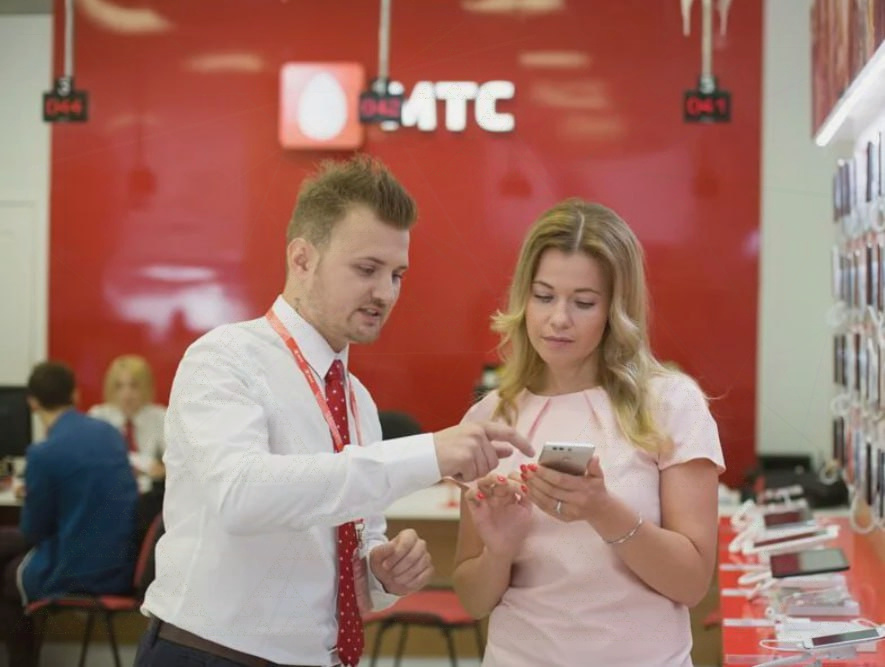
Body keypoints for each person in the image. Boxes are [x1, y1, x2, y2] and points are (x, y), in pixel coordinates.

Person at [136, 155, 533, 667]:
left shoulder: (355, 399)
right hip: (209, 654)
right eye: (367, 269)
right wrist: (427, 454)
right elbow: (241, 496)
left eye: (397, 274)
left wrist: (380, 573)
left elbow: (347, 542)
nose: (385, 293)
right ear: (302, 259)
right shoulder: (225, 357)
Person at [452, 199, 725, 667]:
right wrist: (499, 551)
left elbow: (692, 583)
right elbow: (473, 600)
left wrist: (602, 510)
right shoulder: (489, 418)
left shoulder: (671, 404)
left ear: (616, 310)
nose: (559, 318)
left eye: (583, 303)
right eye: (543, 296)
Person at [0, 361, 138, 666]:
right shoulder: (109, 434)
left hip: (79, 571)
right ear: (75, 394)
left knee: (7, 574)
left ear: (32, 402)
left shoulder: (43, 454)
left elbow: (33, 531)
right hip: (120, 566)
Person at [89, 354, 167, 480]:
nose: (127, 393)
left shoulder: (160, 417)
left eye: (134, 386)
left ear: (146, 387)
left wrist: (164, 470)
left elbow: (176, 460)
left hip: (151, 489)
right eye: (119, 386)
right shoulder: (98, 417)